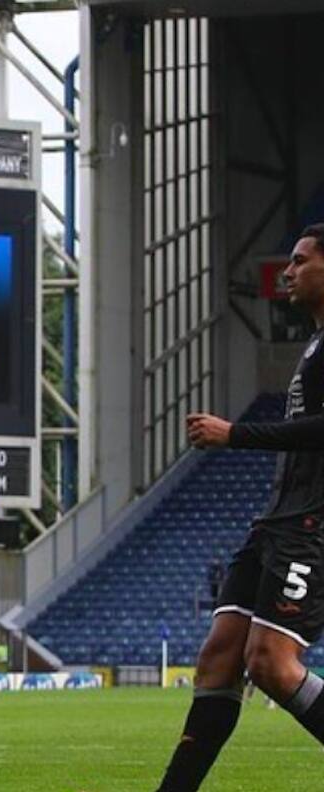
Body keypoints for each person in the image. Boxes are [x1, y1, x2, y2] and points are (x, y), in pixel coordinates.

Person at [155, 224, 324, 791]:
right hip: (278, 519)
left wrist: (237, 435)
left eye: (301, 261)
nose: (290, 271)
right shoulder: (315, 342)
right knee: (219, 657)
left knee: (271, 663)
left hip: (314, 523)